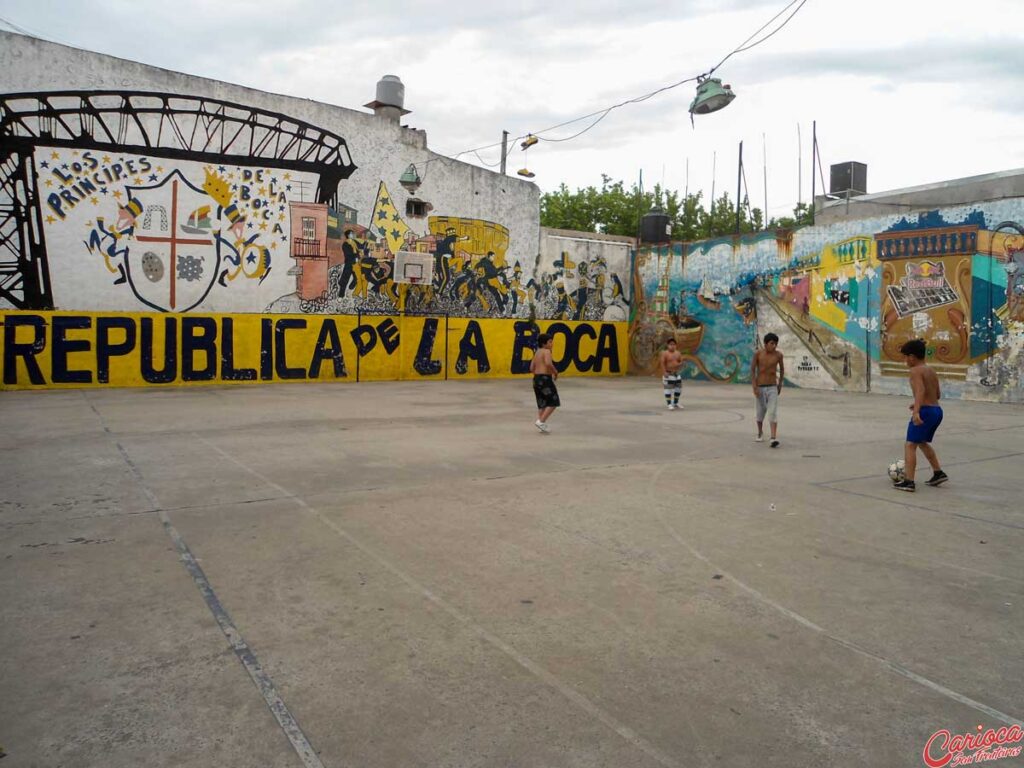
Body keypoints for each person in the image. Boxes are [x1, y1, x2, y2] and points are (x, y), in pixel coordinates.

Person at [894, 338, 948, 492]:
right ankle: (938, 473)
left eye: (905, 357)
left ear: (912, 357)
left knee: (910, 445)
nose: (905, 361)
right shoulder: (930, 370)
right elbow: (936, 394)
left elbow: (920, 391)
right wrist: (921, 403)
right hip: (936, 411)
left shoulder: (915, 371)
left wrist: (917, 410)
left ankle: (909, 481)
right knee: (922, 442)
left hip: (925, 412)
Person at [751, 333, 784, 447]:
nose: (774, 346)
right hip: (760, 387)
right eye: (772, 343)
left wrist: (779, 385)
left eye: (775, 344)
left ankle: (773, 438)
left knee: (772, 411)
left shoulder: (779, 355)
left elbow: (782, 370)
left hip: (772, 387)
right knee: (760, 412)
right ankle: (760, 433)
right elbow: (752, 370)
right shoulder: (758, 354)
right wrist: (754, 387)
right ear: (765, 344)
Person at [530, 333, 560, 433]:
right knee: (553, 402)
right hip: (545, 379)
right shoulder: (547, 351)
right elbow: (548, 363)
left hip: (536, 379)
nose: (552, 344)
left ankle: (541, 424)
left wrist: (538, 375)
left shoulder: (537, 352)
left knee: (542, 402)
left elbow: (531, 368)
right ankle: (541, 422)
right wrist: (555, 372)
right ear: (544, 343)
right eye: (550, 342)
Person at [659, 338, 684, 409]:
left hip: (676, 374)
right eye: (671, 344)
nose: (672, 346)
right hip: (668, 373)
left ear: (676, 345)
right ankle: (669, 404)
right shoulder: (665, 353)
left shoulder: (678, 353)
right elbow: (662, 363)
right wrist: (664, 372)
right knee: (668, 389)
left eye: (674, 344)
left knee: (678, 389)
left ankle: (675, 402)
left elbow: (680, 361)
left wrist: (681, 364)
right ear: (668, 345)